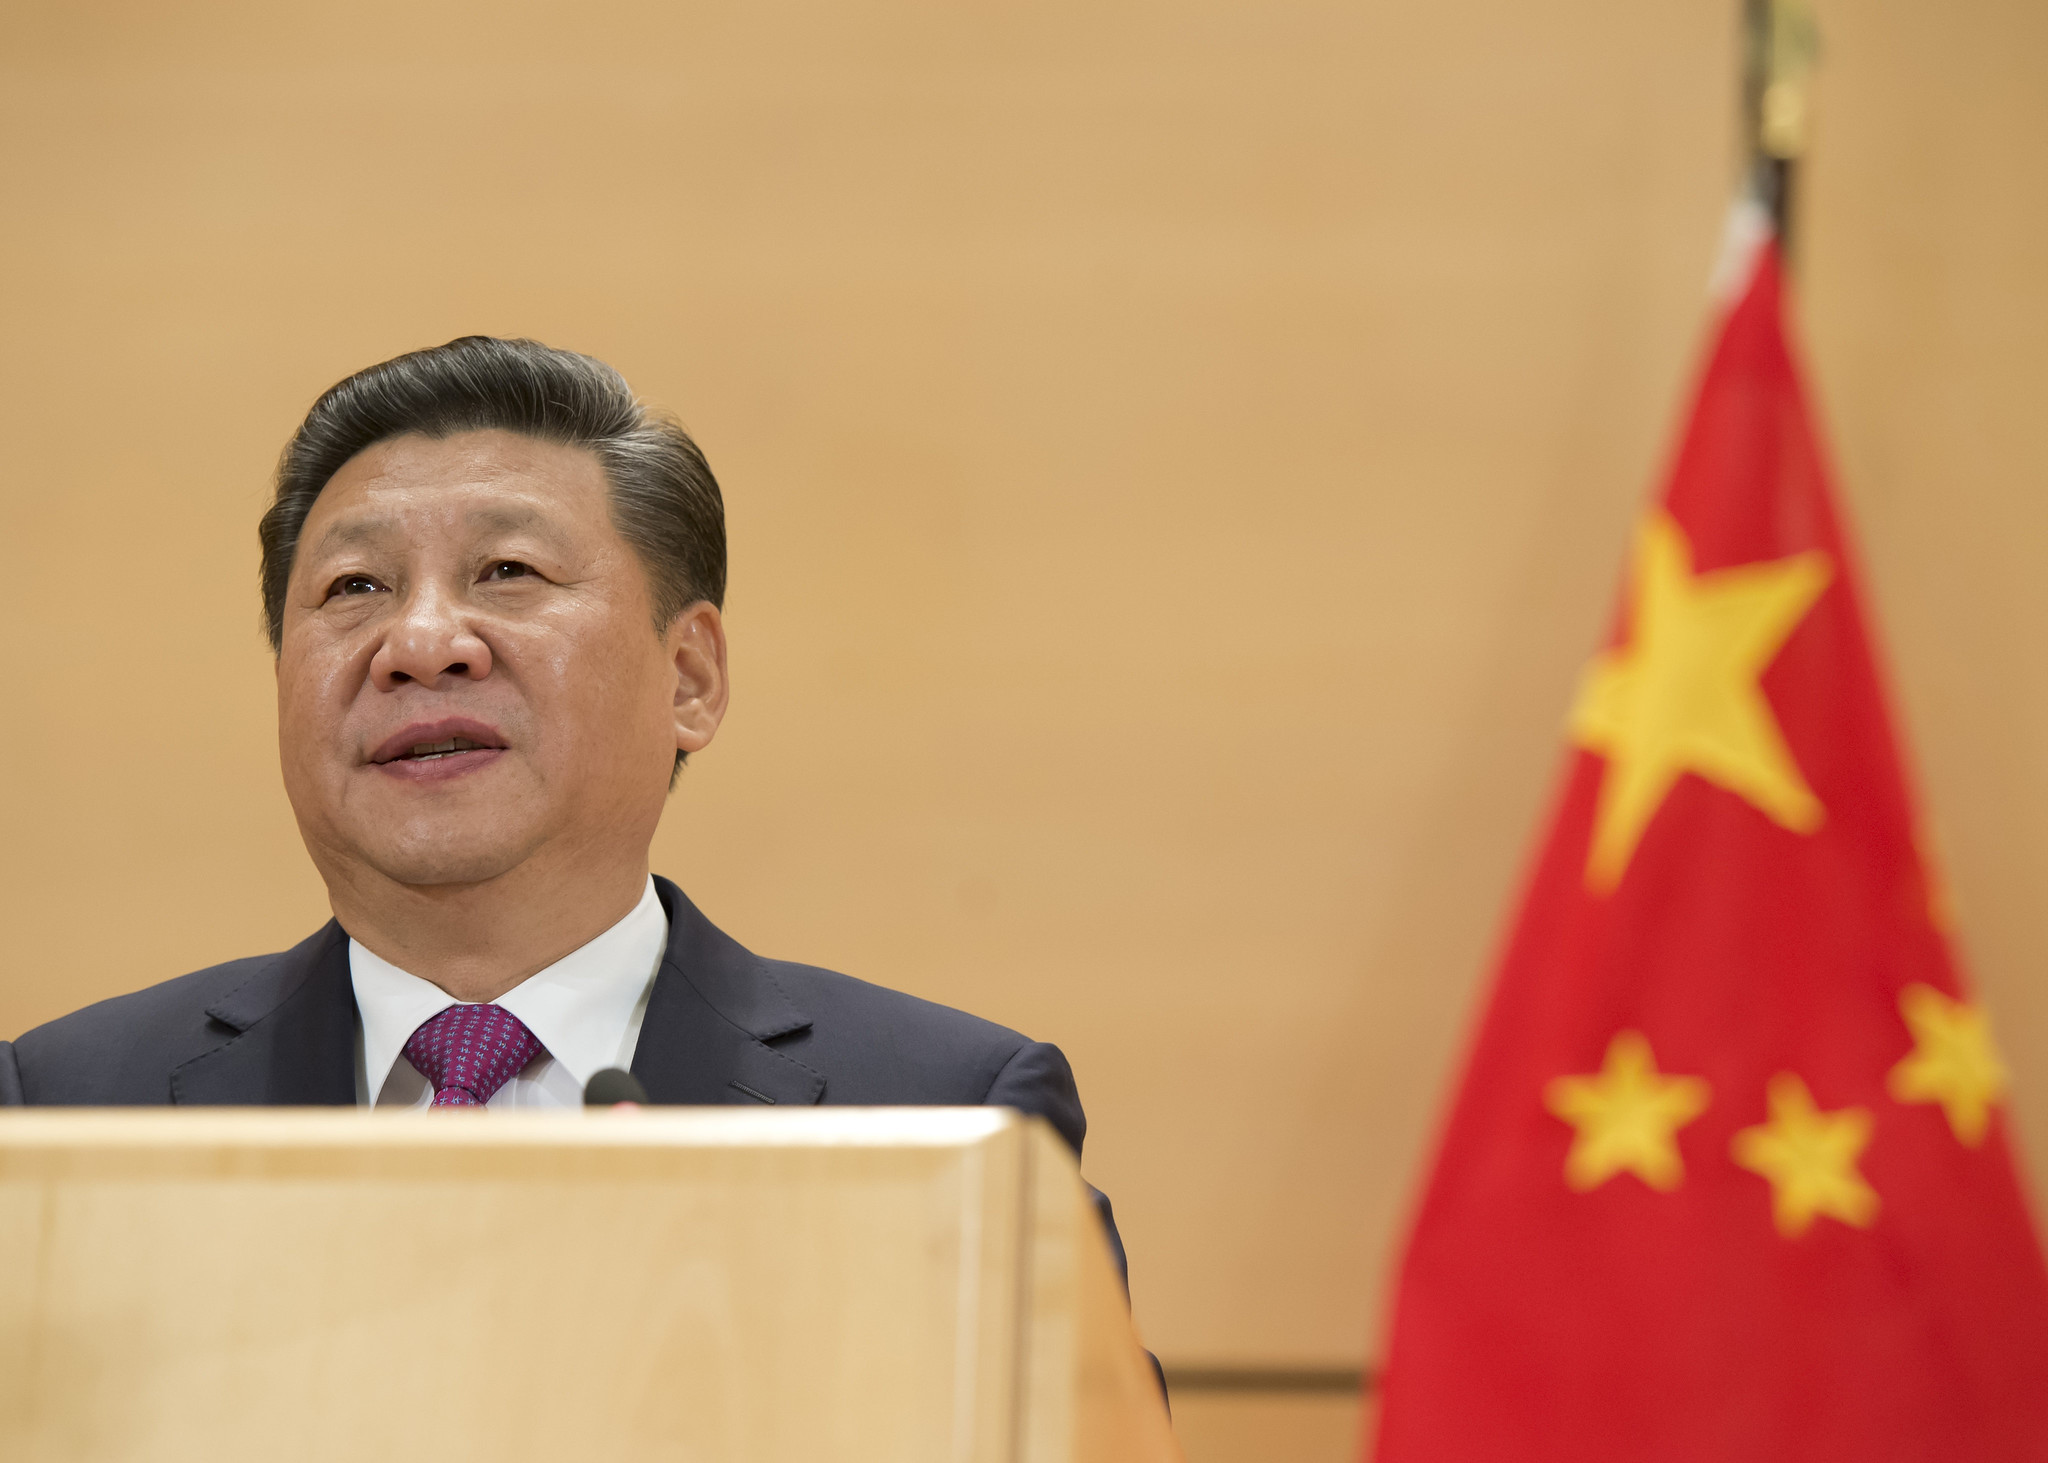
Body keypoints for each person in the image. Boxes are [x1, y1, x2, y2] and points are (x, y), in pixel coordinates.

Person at [0, 335, 1132, 1281]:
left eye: (508, 572)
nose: (422, 643)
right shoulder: (57, 1119)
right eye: (353, 588)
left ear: (687, 676)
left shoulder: (945, 1127)